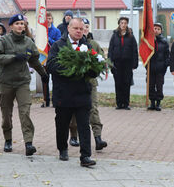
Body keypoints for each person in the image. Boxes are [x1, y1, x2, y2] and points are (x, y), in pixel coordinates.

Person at [0, 14, 49, 156]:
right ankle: (8, 139)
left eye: (22, 23)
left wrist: (43, 74)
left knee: (25, 113)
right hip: (6, 83)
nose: (20, 26)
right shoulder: (3, 41)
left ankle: (29, 143)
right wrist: (13, 57)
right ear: (11, 26)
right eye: (17, 23)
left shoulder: (28, 42)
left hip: (22, 82)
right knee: (6, 115)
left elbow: (34, 60)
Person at [47, 18, 97, 167]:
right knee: (62, 124)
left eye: (81, 29)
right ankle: (62, 148)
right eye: (76, 28)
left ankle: (85, 156)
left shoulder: (87, 46)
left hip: (82, 93)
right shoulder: (58, 45)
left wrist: (92, 68)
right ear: (68, 28)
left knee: (84, 125)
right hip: (64, 93)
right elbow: (50, 65)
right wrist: (70, 68)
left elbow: (94, 69)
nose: (79, 31)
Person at [68, 18, 107, 150]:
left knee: (93, 108)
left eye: (85, 27)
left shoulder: (93, 44)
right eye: (80, 27)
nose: (83, 29)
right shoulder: (70, 44)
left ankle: (98, 137)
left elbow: (101, 60)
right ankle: (73, 135)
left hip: (90, 82)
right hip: (74, 82)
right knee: (74, 110)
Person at [108, 17, 138, 110]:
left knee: (126, 83)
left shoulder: (131, 36)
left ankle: (126, 103)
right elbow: (110, 50)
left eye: (125, 23)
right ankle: (119, 103)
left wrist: (134, 63)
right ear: (119, 24)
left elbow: (134, 51)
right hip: (117, 63)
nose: (123, 25)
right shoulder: (114, 36)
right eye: (121, 23)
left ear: (127, 24)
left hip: (127, 63)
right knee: (118, 83)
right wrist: (110, 62)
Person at [147, 23, 170, 111]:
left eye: (158, 29)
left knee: (159, 86)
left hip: (160, 69)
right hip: (151, 68)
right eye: (154, 28)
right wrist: (147, 67)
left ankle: (158, 103)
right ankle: (152, 102)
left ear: (161, 31)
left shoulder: (164, 42)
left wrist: (165, 65)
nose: (156, 30)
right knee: (151, 86)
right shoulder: (148, 41)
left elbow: (167, 55)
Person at [41, 12, 61, 108]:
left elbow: (58, 43)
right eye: (46, 18)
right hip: (44, 57)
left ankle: (55, 100)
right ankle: (46, 100)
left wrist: (48, 38)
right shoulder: (41, 30)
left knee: (55, 80)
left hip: (53, 57)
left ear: (52, 20)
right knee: (44, 79)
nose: (48, 20)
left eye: (49, 18)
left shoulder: (56, 31)